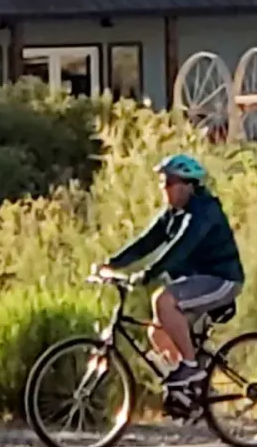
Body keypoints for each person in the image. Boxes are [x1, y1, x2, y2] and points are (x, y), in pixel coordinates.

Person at [95, 154, 244, 402]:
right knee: (157, 333)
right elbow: (147, 241)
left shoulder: (203, 212)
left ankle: (191, 366)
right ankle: (191, 392)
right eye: (162, 182)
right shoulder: (174, 213)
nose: (164, 188)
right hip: (197, 280)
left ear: (188, 185)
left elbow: (179, 249)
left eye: (169, 182)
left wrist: (147, 274)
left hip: (222, 280)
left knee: (163, 300)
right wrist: (111, 263)